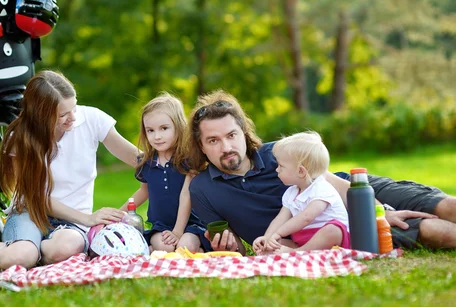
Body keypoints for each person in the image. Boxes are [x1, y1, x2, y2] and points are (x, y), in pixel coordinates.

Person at [184, 89, 456, 254]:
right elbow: (241, 250)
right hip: (336, 228)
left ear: (243, 133)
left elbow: (331, 183)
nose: (227, 146)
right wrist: (228, 247)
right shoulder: (204, 190)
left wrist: (378, 211)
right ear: (202, 146)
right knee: (433, 231)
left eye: (231, 135)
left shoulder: (278, 152)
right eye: (213, 140)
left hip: (354, 191)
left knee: (446, 205)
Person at [0, 70, 139, 269]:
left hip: (73, 222)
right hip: (30, 213)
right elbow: (35, 197)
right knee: (20, 257)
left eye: (73, 107)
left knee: (66, 248)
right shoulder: (20, 138)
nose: (72, 117)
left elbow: (136, 158)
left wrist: (167, 160)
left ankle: (34, 250)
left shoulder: (92, 119)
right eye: (62, 114)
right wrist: (89, 219)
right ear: (40, 115)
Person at [123, 93, 207, 253]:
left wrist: (177, 231)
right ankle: (154, 249)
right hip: (160, 225)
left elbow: (186, 195)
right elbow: (143, 191)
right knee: (164, 247)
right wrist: (119, 214)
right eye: (150, 130)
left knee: (186, 247)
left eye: (164, 128)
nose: (157, 136)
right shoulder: (146, 163)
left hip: (190, 224)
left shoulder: (188, 160)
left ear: (178, 126)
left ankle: (189, 250)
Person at [252, 131, 350, 254]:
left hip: (332, 239)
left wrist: (279, 233)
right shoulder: (291, 192)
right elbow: (280, 218)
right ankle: (296, 251)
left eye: (281, 166)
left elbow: (306, 218)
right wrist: (268, 238)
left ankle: (299, 253)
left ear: (300, 171)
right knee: (270, 247)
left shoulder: (322, 189)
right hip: (303, 240)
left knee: (333, 230)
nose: (276, 169)